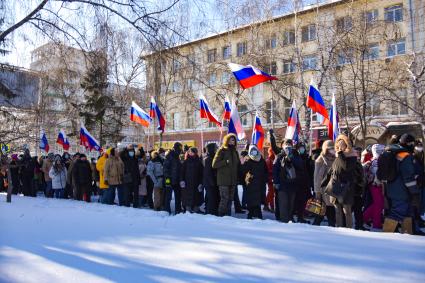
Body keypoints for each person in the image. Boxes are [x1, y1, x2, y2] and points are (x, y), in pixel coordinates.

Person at [323, 134, 364, 229]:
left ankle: (348, 229)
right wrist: (324, 182)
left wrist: (340, 154)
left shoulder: (352, 156)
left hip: (346, 187)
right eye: (339, 143)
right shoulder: (337, 156)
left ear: (346, 145)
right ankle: (339, 228)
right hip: (335, 185)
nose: (340, 146)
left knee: (347, 210)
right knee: (337, 209)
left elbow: (346, 167)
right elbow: (333, 170)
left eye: (342, 144)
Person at [383, 134, 419, 235]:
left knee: (407, 213)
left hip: (393, 188)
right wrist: (414, 192)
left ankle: (408, 235)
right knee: (397, 213)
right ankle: (385, 236)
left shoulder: (395, 153)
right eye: (412, 143)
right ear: (409, 143)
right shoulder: (405, 156)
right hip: (401, 190)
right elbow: (408, 177)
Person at [273, 139, 303, 223]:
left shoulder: (295, 155)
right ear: (283, 146)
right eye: (286, 145)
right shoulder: (279, 156)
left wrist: (291, 158)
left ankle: (290, 219)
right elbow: (275, 170)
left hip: (293, 184)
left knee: (291, 204)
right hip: (282, 185)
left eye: (289, 145)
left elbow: (300, 165)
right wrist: (276, 182)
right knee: (283, 204)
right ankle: (284, 221)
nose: (288, 147)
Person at [212, 133, 240, 216]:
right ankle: (221, 216)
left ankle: (228, 216)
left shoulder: (235, 152)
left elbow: (237, 165)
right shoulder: (221, 150)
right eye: (231, 140)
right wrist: (225, 162)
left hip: (233, 180)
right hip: (223, 180)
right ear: (227, 141)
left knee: (230, 200)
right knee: (224, 199)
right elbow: (214, 164)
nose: (233, 141)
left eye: (234, 140)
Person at [312, 140, 336, 227]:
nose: (332, 150)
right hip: (323, 189)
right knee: (322, 209)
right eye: (330, 149)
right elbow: (317, 178)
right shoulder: (320, 160)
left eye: (333, 148)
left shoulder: (335, 159)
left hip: (332, 188)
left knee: (329, 208)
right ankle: (317, 225)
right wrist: (317, 191)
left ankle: (331, 224)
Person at [241, 145, 268, 219]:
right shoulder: (248, 160)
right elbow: (242, 172)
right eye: (252, 151)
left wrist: (265, 179)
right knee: (251, 200)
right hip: (250, 184)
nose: (254, 152)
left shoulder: (261, 160)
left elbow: (266, 171)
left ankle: (258, 214)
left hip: (260, 183)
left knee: (258, 200)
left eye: (255, 150)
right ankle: (250, 214)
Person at [363, 144, 385, 230]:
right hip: (376, 184)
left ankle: (365, 218)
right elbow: (377, 173)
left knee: (378, 204)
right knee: (379, 204)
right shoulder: (377, 160)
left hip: (374, 184)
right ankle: (376, 223)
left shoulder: (375, 159)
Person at [294, 142, 313, 223]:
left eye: (303, 148)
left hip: (306, 182)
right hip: (298, 183)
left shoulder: (306, 157)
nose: (302, 149)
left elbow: (309, 170)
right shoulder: (295, 157)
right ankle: (299, 217)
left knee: (306, 199)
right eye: (300, 148)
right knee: (299, 201)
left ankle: (303, 215)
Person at [181, 147, 203, 213]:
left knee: (196, 196)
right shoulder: (186, 161)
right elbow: (182, 172)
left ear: (195, 153)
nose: (190, 153)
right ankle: (188, 209)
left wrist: (201, 183)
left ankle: (196, 209)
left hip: (196, 182)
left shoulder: (198, 162)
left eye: (192, 152)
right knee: (187, 197)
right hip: (187, 183)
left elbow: (201, 173)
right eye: (189, 151)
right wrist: (182, 180)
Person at [164, 142, 183, 214]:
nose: (180, 150)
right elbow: (165, 169)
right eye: (179, 149)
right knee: (168, 197)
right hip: (170, 180)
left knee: (178, 196)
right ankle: (167, 211)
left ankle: (178, 210)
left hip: (177, 180)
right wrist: (167, 181)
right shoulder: (169, 156)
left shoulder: (178, 156)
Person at [203, 143, 219, 216]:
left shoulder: (212, 158)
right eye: (216, 148)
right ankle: (210, 213)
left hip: (212, 182)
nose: (217, 149)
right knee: (211, 199)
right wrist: (212, 183)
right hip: (210, 183)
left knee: (212, 198)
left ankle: (212, 212)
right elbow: (208, 173)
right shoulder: (208, 159)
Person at [264, 148, 275, 212]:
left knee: (271, 193)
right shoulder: (269, 160)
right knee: (271, 193)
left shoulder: (271, 159)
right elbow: (268, 170)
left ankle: (268, 205)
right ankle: (270, 206)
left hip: (271, 178)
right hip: (271, 179)